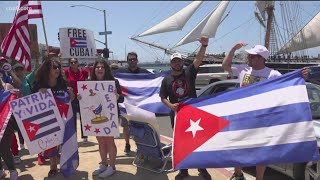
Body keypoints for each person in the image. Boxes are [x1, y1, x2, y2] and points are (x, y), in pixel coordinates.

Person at [222, 43, 282, 180]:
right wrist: (232, 49)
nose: (249, 58)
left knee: (261, 151)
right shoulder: (243, 70)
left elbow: (283, 92)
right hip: (242, 118)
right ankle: (238, 174)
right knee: (238, 147)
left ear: (261, 58)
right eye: (249, 55)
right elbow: (225, 66)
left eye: (252, 56)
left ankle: (258, 178)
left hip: (262, 119)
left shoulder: (273, 74)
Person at [160, 37, 211, 180]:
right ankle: (183, 170)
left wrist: (204, 45)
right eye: (174, 61)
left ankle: (202, 169)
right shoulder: (166, 79)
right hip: (177, 116)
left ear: (182, 62)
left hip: (194, 115)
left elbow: (198, 59)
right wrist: (170, 106)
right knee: (180, 144)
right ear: (171, 64)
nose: (177, 63)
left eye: (179, 60)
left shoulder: (189, 72)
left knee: (198, 142)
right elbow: (163, 97)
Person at [79, 59, 123, 178]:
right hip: (94, 117)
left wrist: (117, 95)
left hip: (110, 116)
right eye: (97, 67)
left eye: (102, 67)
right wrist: (80, 97)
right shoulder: (88, 83)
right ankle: (104, 163)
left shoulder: (113, 82)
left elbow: (121, 99)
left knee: (109, 141)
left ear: (106, 69)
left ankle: (112, 166)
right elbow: (86, 100)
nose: (99, 69)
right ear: (94, 70)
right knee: (101, 141)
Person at [33, 59, 75, 177]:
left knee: (65, 139)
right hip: (48, 119)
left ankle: (65, 162)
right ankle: (53, 166)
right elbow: (32, 102)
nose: (57, 69)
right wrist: (39, 93)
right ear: (48, 69)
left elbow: (71, 99)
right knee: (51, 142)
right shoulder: (39, 83)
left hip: (63, 118)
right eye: (54, 67)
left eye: (58, 67)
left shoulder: (63, 82)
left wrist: (72, 94)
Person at [114, 52, 151, 155]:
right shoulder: (120, 73)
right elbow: (108, 76)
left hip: (140, 105)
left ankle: (141, 146)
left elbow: (155, 79)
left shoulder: (144, 72)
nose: (132, 61)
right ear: (127, 61)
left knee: (140, 127)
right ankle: (127, 143)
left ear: (137, 60)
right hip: (125, 105)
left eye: (134, 59)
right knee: (125, 126)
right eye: (130, 59)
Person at [64, 58, 89, 143]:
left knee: (84, 118)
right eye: (72, 62)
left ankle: (85, 137)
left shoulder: (83, 72)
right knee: (73, 118)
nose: (73, 63)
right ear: (69, 64)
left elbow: (88, 82)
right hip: (72, 98)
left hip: (82, 98)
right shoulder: (66, 72)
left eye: (75, 62)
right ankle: (74, 137)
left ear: (78, 63)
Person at [0, 79, 19, 180]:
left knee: (4, 147)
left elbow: (18, 102)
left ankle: (12, 170)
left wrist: (17, 94)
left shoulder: (8, 87)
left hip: (6, 123)